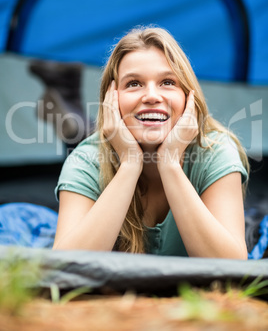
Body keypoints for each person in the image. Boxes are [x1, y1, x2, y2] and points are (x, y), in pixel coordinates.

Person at [53, 26, 249, 259]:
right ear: (111, 99)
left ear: (188, 96)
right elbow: (64, 266)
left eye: (167, 82)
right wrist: (129, 164)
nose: (152, 96)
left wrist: (170, 164)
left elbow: (232, 266)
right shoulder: (86, 159)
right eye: (134, 84)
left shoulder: (215, 151)